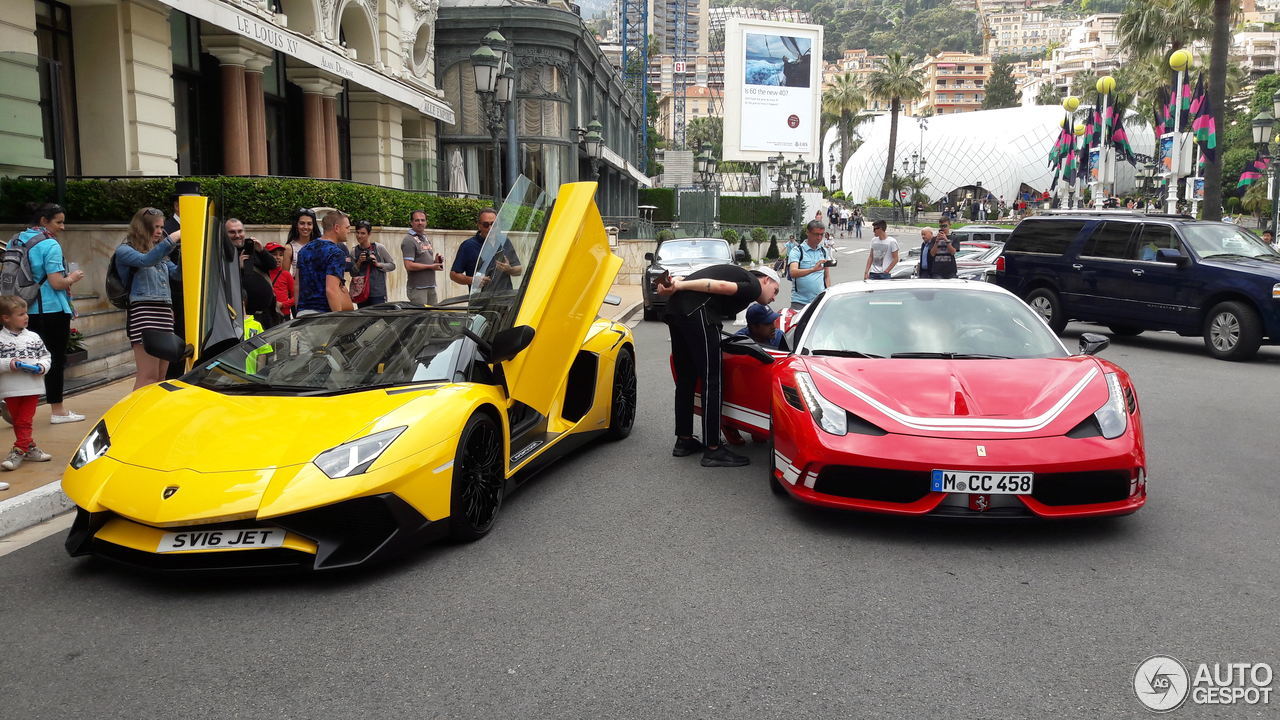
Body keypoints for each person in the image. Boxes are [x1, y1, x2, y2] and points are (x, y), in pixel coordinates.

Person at [656, 265, 781, 468]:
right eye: (775, 290)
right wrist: (679, 285)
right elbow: (719, 286)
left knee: (686, 378)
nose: (774, 297)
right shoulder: (753, 286)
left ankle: (684, 440)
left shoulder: (737, 273)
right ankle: (713, 448)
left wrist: (676, 285)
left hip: (676, 311)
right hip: (699, 314)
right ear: (766, 280)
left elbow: (695, 278)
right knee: (712, 379)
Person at [10, 203, 85, 423]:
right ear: (44, 221)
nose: (63, 227)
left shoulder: (18, 239)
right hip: (50, 309)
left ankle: (17, 410)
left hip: (22, 309)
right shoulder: (49, 244)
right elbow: (57, 282)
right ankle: (58, 410)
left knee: (25, 360)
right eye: (59, 222)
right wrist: (73, 278)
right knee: (52, 360)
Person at [114, 207, 181, 389]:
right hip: (144, 312)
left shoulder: (161, 254)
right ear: (142, 228)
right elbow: (145, 261)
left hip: (165, 312)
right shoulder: (125, 250)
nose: (160, 231)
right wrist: (172, 239)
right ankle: (134, 415)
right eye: (155, 227)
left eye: (161, 227)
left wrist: (186, 251)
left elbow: (177, 275)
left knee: (160, 378)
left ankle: (153, 415)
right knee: (148, 376)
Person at [0, 295, 53, 478]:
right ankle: (30, 447)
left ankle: (19, 450)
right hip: (10, 388)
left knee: (24, 420)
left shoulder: (34, 337)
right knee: (18, 421)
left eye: (26, 313)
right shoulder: (0, 339)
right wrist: (9, 363)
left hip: (32, 387)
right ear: (6, 318)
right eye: (21, 314)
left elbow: (46, 356)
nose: (26, 317)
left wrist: (42, 366)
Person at [295, 210, 353, 316]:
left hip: (303, 313)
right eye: (347, 227)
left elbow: (297, 286)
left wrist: (298, 312)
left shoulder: (304, 250)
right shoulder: (336, 253)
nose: (349, 231)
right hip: (324, 316)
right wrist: (338, 317)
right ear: (337, 228)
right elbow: (331, 290)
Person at [450, 208, 522, 291]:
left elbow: (519, 269)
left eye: (494, 224)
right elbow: (453, 274)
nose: (490, 228)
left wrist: (510, 270)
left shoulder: (504, 241)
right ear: (479, 225)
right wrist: (473, 280)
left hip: (505, 299)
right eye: (486, 224)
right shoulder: (468, 246)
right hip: (480, 300)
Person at [225, 219, 279, 328]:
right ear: (225, 234)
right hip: (243, 317)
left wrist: (262, 250)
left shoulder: (253, 249)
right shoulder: (223, 254)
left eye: (240, 231)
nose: (237, 235)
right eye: (232, 232)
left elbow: (273, 265)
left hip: (266, 314)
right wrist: (237, 268)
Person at [787, 220, 832, 311]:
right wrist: (813, 269)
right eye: (816, 234)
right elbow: (793, 272)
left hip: (819, 301)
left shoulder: (823, 251)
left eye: (821, 234)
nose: (819, 238)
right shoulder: (797, 251)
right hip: (800, 302)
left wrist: (828, 293)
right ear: (808, 232)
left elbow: (826, 276)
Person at [350, 220, 397, 308]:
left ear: (369, 234)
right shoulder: (354, 251)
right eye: (357, 233)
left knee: (379, 320)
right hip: (361, 293)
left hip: (378, 294)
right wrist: (359, 262)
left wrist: (377, 264)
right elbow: (352, 273)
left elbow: (392, 265)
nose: (359, 236)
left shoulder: (379, 248)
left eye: (363, 233)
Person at [401, 209, 444, 306]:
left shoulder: (425, 237)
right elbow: (409, 265)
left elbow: (425, 261)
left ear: (426, 222)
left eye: (423, 220)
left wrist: (435, 261)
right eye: (417, 220)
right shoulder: (409, 240)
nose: (420, 223)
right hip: (418, 288)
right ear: (411, 222)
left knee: (432, 317)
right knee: (421, 318)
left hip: (431, 286)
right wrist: (431, 267)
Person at [285, 208, 320, 297]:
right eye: (302, 223)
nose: (305, 227)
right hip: (299, 294)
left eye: (309, 224)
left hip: (319, 292)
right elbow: (284, 276)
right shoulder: (289, 248)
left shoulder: (320, 245)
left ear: (313, 226)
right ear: (296, 225)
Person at [265, 242, 295, 319]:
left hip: (283, 314)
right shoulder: (262, 273)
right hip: (265, 315)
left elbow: (296, 297)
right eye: (274, 254)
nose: (278, 257)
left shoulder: (286, 275)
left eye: (281, 255)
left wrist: (282, 304)